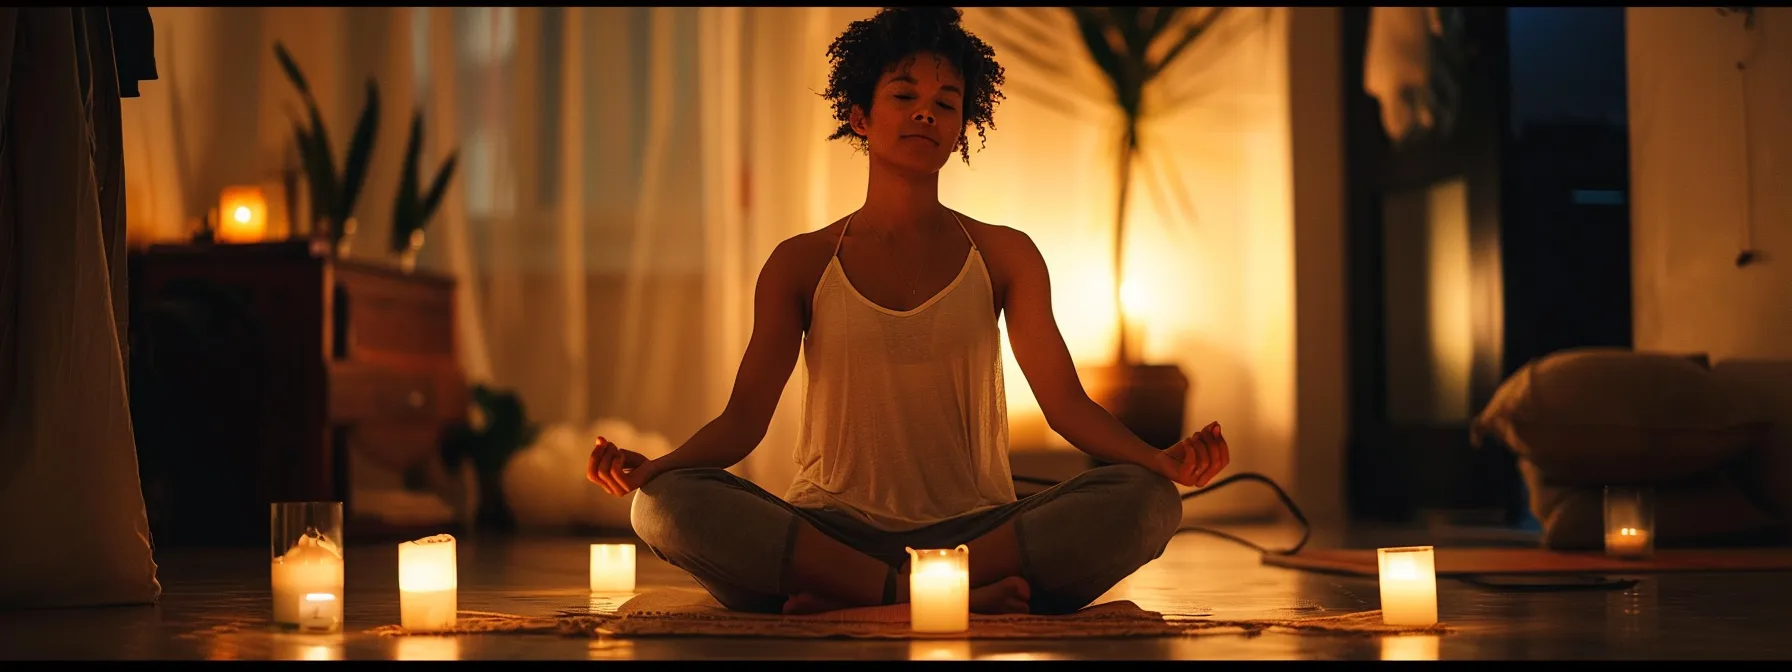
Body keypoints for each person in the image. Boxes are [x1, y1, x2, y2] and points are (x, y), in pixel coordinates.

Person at [586, 6, 1231, 616]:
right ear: (859, 114)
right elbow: (743, 421)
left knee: (1148, 503)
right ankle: (915, 594)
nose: (926, 113)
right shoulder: (800, 263)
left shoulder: (1005, 255)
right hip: (831, 532)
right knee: (663, 506)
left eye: (945, 103)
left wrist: (1160, 462)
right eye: (904, 96)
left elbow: (1067, 405)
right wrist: (655, 470)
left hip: (979, 538)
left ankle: (868, 598)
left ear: (961, 125)